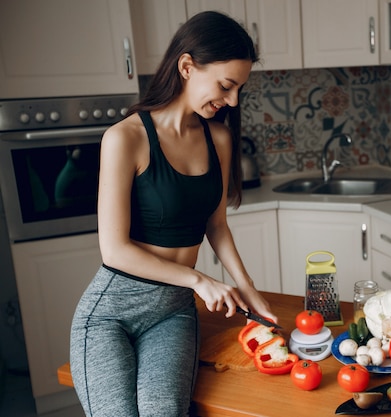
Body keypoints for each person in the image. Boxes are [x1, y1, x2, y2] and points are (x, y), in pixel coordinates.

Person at [70, 11, 276, 417]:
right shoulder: (125, 138)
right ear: (187, 67)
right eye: (225, 85)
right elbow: (114, 250)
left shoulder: (218, 137)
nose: (232, 101)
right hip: (110, 315)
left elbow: (216, 225)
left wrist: (247, 287)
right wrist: (201, 281)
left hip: (173, 313)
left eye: (239, 90)